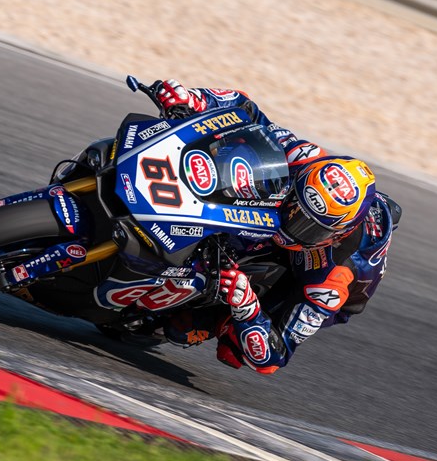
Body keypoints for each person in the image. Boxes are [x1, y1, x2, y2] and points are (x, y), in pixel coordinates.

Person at [155, 79, 401, 374]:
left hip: (307, 276)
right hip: (309, 216)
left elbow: (273, 358)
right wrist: (193, 99)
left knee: (202, 335)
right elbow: (246, 111)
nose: (292, 222)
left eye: (308, 227)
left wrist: (246, 306)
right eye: (295, 206)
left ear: (337, 234)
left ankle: (214, 320)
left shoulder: (331, 282)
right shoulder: (305, 158)